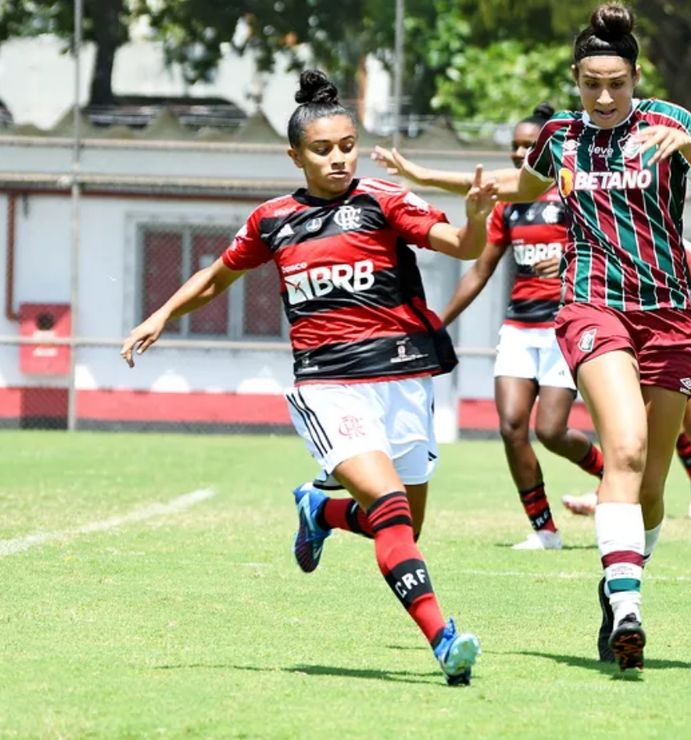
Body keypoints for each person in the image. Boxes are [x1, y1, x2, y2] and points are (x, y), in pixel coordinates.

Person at [373, 3, 691, 672]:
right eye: (591, 84)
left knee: (653, 487)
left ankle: (616, 583)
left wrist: (690, 148)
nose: (604, 97)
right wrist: (432, 180)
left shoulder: (671, 122)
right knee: (625, 451)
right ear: (576, 78)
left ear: (637, 78)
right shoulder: (560, 136)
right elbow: (521, 185)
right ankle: (631, 608)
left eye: (617, 84)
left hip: (667, 317)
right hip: (592, 309)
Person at [120, 70, 493, 686]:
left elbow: (457, 244)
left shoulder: (383, 199)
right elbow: (217, 277)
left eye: (346, 145)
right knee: (392, 506)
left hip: (404, 380)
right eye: (322, 149)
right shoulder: (274, 219)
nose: (338, 157)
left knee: (402, 527)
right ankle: (444, 641)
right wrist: (161, 313)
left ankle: (321, 510)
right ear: (295, 156)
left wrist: (477, 221)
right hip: (327, 386)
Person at [438, 103, 604, 551]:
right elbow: (478, 272)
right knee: (512, 427)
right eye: (514, 146)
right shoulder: (507, 208)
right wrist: (437, 322)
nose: (519, 153)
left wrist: (570, 260)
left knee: (550, 431)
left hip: (562, 328)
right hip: (518, 328)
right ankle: (544, 531)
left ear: (546, 148)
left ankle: (611, 474)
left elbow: (605, 248)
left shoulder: (573, 195)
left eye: (529, 145)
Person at [561, 238, 691, 521]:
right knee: (636, 425)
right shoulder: (617, 239)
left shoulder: (678, 244)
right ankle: (612, 490)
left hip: (677, 344)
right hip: (637, 339)